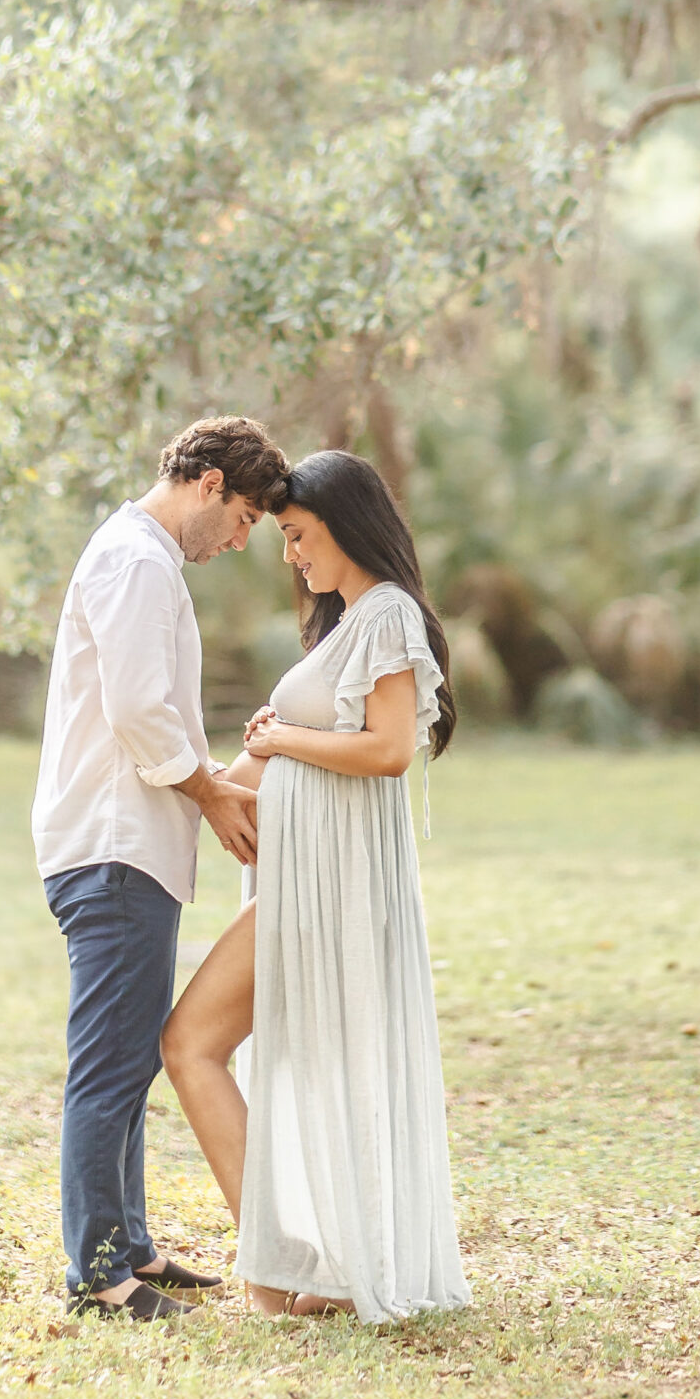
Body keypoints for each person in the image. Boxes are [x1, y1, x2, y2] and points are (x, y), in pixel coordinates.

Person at [161, 450, 470, 1323]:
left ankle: (288, 1266)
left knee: (188, 1044)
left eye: (296, 535)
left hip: (324, 890)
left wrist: (281, 743)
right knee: (198, 1048)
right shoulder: (344, 627)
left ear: (344, 523)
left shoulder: (388, 617)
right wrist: (201, 787)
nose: (292, 555)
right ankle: (293, 1264)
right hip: (297, 880)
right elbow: (267, 760)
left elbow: (387, 749)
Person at [34, 415, 291, 1320]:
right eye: (249, 516)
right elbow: (141, 708)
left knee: (130, 1056)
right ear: (212, 484)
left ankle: (130, 1248)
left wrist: (224, 774)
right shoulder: (138, 560)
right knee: (107, 1066)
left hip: (129, 843)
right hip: (111, 844)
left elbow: (152, 712)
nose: (244, 539)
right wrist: (213, 794)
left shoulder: (144, 559)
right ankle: (100, 1276)